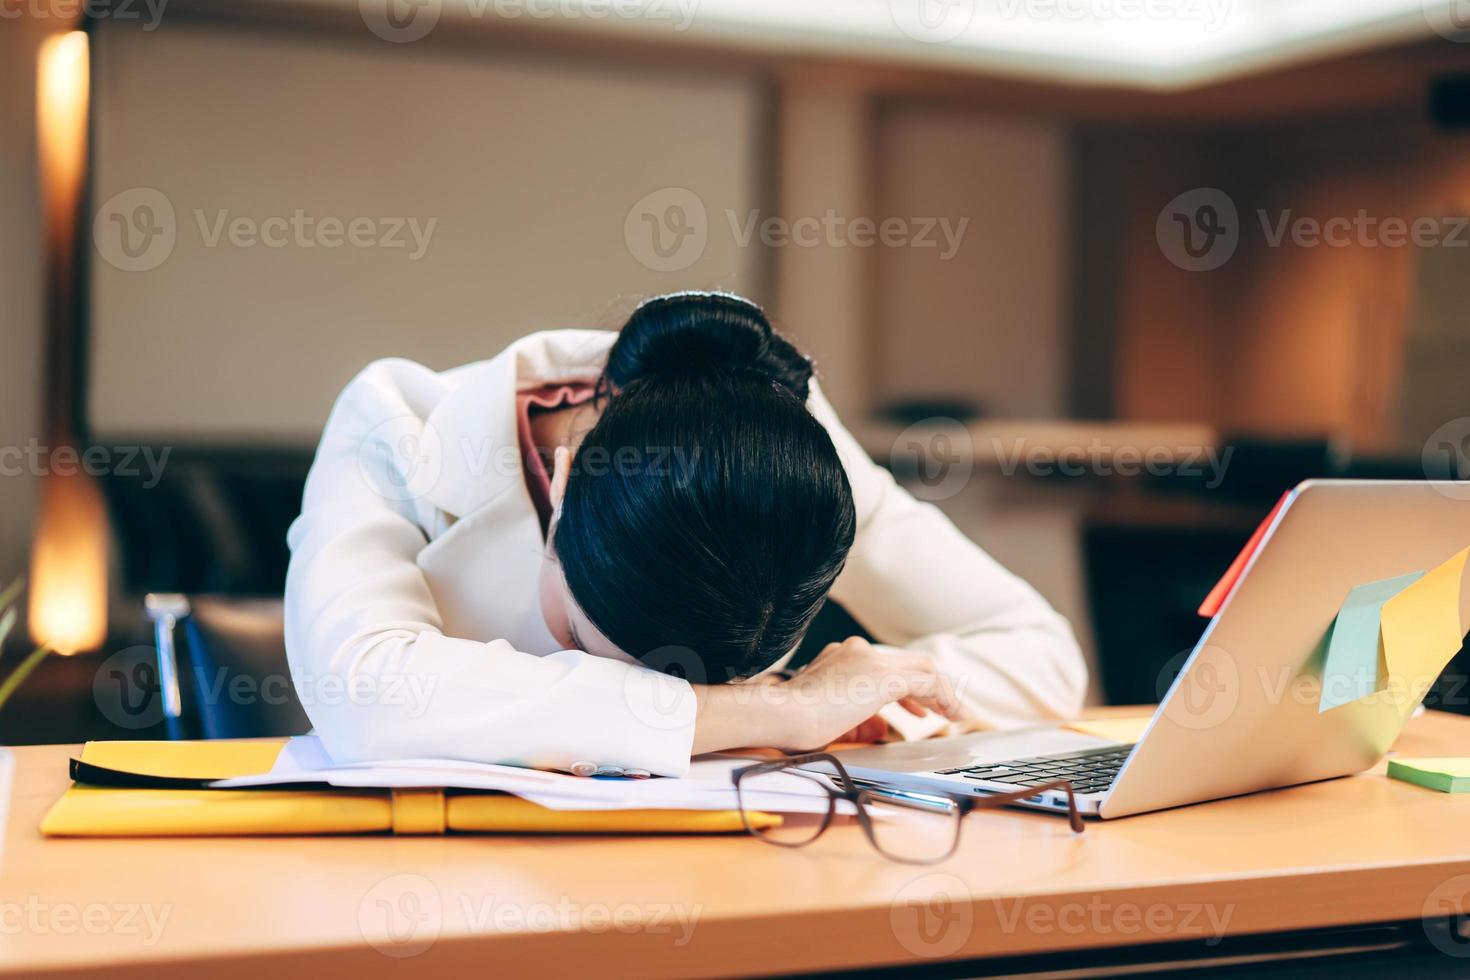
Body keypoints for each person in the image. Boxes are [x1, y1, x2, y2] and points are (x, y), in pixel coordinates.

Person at [285, 291, 1086, 776]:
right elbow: (363, 695)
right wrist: (776, 712)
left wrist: (870, 702)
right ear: (561, 490)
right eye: (573, 629)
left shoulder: (780, 448)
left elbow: (1039, 653)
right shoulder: (395, 424)